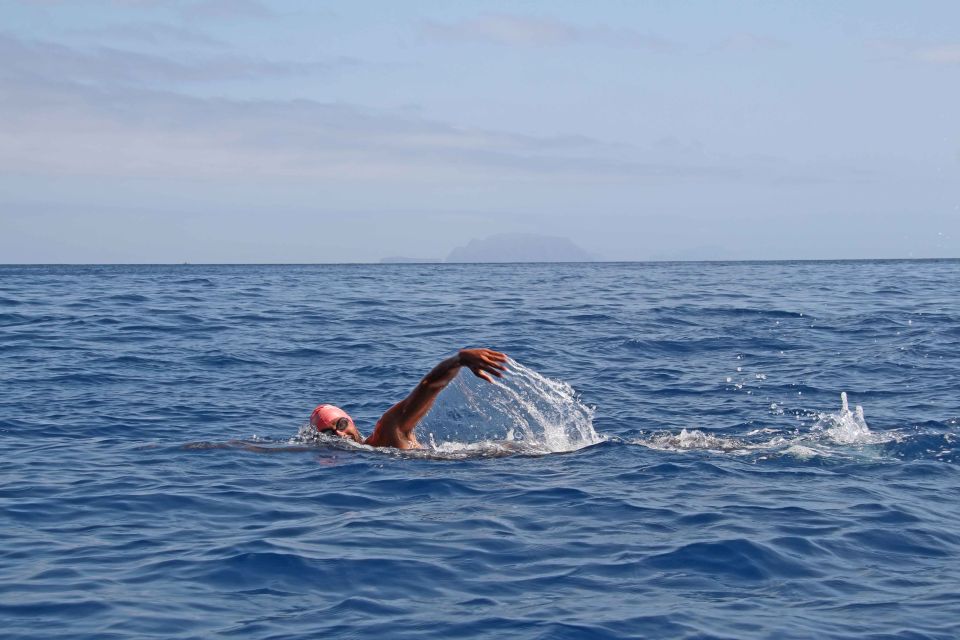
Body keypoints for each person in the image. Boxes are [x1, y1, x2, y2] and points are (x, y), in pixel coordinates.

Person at [310, 348, 508, 449]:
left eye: (341, 424)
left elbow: (428, 387)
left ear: (350, 421)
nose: (340, 435)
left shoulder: (386, 432)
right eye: (329, 434)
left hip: (497, 461)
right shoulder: (370, 451)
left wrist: (458, 360)